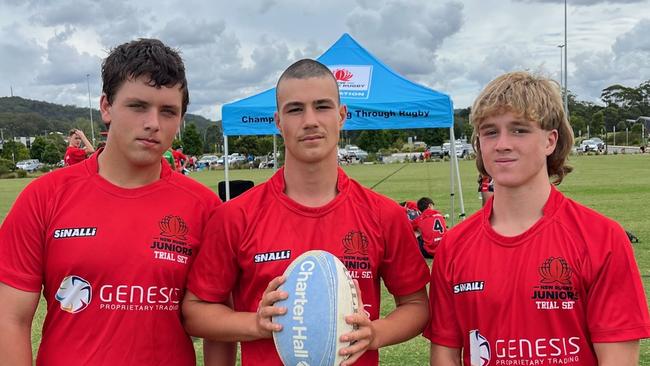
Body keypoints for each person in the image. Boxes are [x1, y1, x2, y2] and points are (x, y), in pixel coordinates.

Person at [183, 59, 430, 366]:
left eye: (322, 106)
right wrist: (255, 324)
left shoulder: (384, 214)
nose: (310, 120)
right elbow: (196, 311)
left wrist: (376, 333)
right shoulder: (236, 216)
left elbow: (417, 305)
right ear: (278, 121)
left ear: (341, 116)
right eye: (295, 109)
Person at [0, 38, 224, 365]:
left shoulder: (205, 208)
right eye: (137, 106)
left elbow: (217, 316)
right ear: (106, 107)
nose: (153, 123)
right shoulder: (43, 197)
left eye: (168, 111)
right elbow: (10, 319)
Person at [427, 71, 650, 366]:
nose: (502, 144)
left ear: (550, 141)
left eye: (519, 130)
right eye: (490, 131)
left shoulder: (603, 239)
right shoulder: (454, 245)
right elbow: (445, 355)